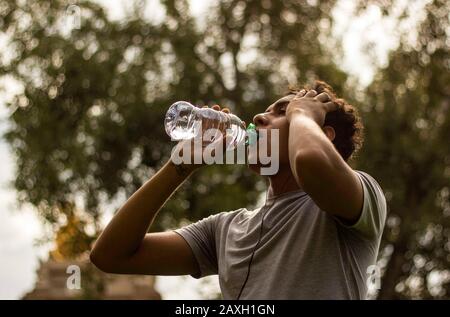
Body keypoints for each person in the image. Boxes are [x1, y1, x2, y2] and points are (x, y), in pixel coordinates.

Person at [90, 80, 387, 299]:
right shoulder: (224, 230)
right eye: (266, 111)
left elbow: (310, 161)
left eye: (282, 111)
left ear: (322, 133)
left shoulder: (361, 197)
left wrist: (303, 115)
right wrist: (179, 165)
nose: (258, 118)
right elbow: (110, 255)